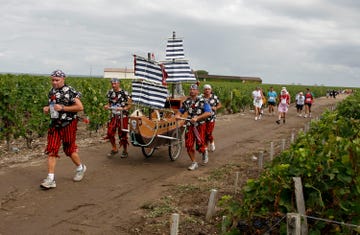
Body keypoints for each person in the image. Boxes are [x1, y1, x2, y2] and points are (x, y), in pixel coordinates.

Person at [40, 70, 86, 190]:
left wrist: (63, 108)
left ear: (63, 79)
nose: (54, 82)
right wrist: (47, 108)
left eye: (57, 80)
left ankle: (81, 167)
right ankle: (50, 179)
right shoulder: (51, 91)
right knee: (52, 149)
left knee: (69, 150)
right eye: (52, 80)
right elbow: (52, 106)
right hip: (55, 124)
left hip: (68, 124)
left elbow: (80, 107)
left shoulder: (70, 91)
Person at [175, 84, 211, 170]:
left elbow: (208, 113)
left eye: (194, 89)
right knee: (188, 144)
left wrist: (197, 118)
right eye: (190, 89)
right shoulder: (186, 102)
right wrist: (178, 115)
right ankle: (194, 162)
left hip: (200, 125)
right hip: (189, 125)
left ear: (197, 91)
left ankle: (204, 151)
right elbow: (180, 111)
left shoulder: (203, 101)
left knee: (200, 145)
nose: (192, 91)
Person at [104, 78, 132, 158]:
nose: (113, 85)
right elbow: (109, 103)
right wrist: (107, 106)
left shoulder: (125, 93)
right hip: (113, 116)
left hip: (123, 116)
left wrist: (123, 109)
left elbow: (130, 105)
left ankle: (125, 151)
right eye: (112, 84)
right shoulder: (110, 92)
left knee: (122, 134)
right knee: (109, 133)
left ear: (119, 84)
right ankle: (114, 148)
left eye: (115, 84)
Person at [201, 84, 222, 152]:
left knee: (208, 133)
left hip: (211, 118)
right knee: (203, 133)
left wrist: (215, 107)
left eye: (208, 89)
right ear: (203, 90)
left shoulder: (214, 97)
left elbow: (219, 105)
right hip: (202, 118)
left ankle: (211, 142)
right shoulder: (200, 97)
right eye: (206, 89)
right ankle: (205, 146)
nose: (207, 90)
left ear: (211, 90)